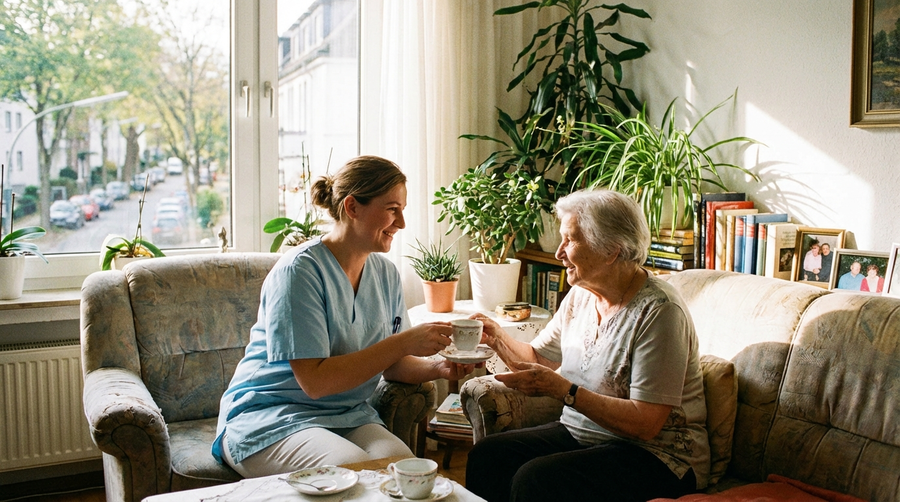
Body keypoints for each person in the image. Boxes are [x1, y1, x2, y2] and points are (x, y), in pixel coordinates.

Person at [212, 155, 475, 477]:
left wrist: (440, 367)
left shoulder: (385, 273)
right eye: (392, 209)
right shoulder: (299, 272)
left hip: (348, 415)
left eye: (402, 210)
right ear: (352, 207)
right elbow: (316, 382)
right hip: (271, 415)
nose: (402, 223)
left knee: (410, 473)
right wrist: (404, 341)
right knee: (355, 474)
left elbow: (394, 367)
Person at [465, 189, 709, 502]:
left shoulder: (659, 312)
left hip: (660, 456)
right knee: (489, 456)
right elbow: (538, 358)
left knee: (536, 479)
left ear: (611, 251)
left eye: (570, 240)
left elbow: (646, 424)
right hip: (586, 435)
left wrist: (564, 390)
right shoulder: (582, 295)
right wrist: (496, 337)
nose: (558, 253)